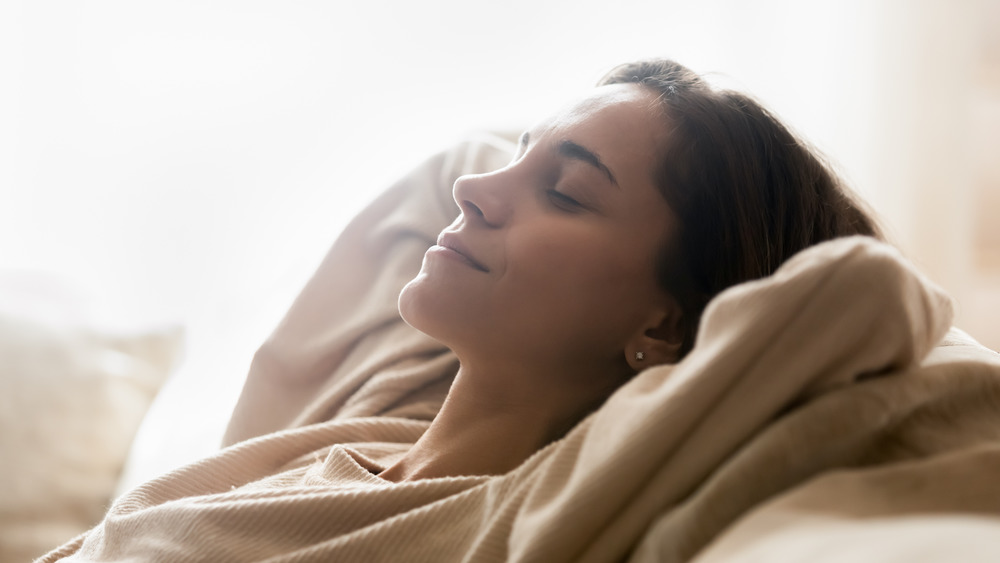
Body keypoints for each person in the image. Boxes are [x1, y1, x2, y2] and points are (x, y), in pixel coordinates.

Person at [43, 59, 935, 563]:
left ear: (664, 326)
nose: (473, 188)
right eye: (518, 153)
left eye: (568, 192)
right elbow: (444, 171)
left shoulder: (533, 512)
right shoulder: (365, 430)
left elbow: (865, 295)